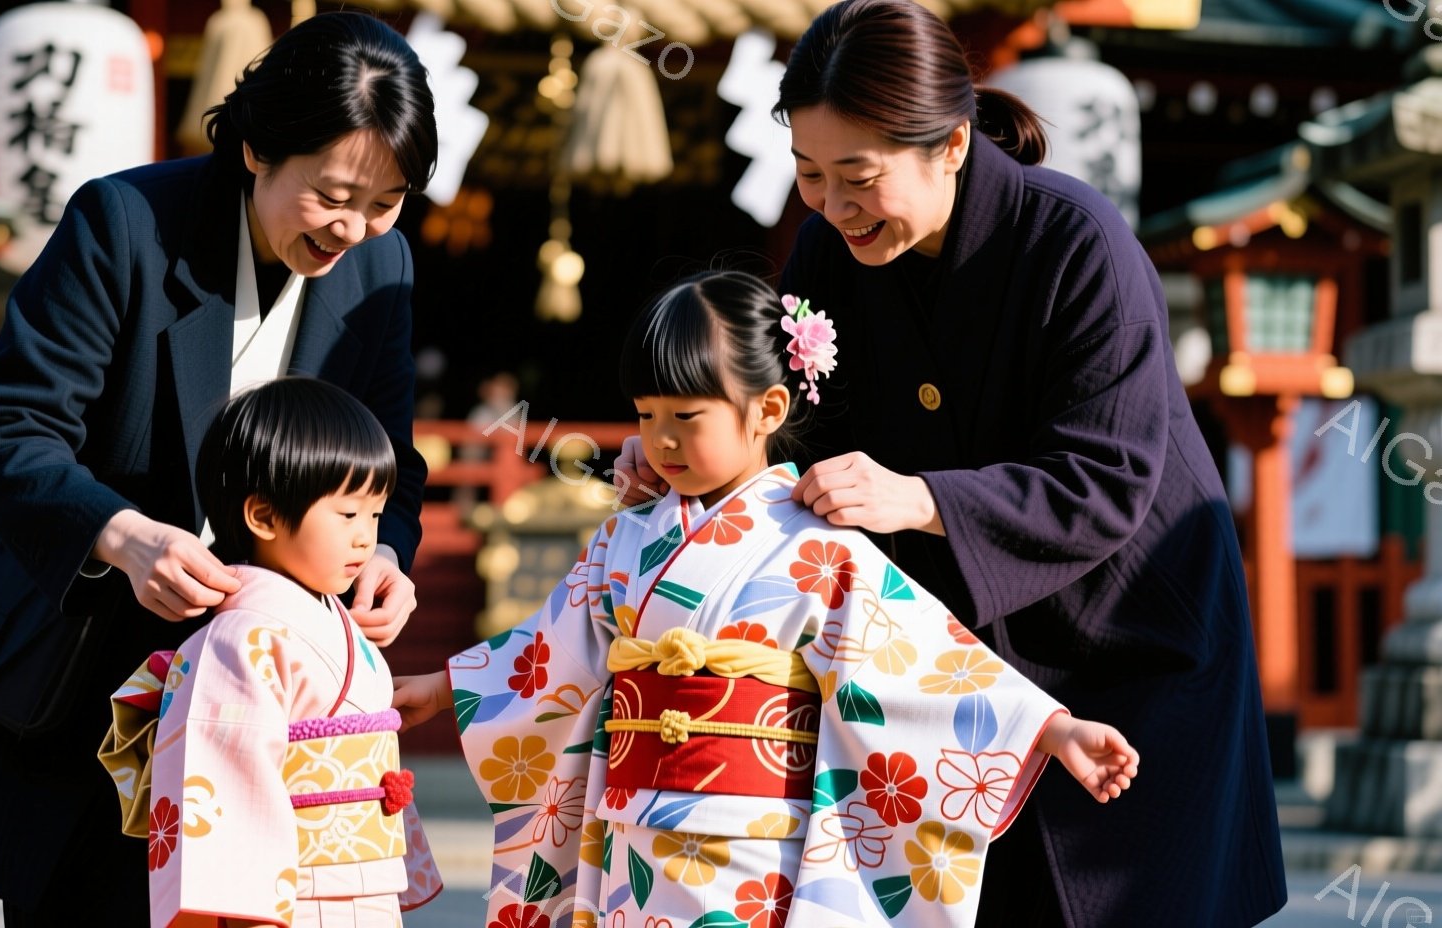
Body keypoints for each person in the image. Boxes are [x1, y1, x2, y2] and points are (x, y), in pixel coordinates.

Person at [611, 2, 1286, 924]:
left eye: (859, 176)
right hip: (956, 666)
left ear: (952, 145)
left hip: (1131, 642)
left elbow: (1105, 478)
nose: (835, 206)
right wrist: (686, 444)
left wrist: (920, 497)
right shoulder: (826, 248)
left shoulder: (1078, 244)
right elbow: (792, 418)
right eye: (809, 176)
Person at [394, 270, 1138, 928]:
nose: (661, 441)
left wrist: (1050, 730)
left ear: (769, 408)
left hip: (753, 848)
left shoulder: (819, 547)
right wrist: (442, 687)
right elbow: (551, 655)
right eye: (647, 416)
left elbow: (923, 665)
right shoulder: (623, 542)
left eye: (687, 419)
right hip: (627, 844)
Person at [0, 13, 436, 925]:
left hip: (268, 712)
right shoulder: (124, 223)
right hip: (89, 675)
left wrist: (385, 550)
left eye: (385, 201)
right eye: (332, 194)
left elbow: (388, 454)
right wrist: (122, 536)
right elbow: (8, 427)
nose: (354, 228)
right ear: (258, 149)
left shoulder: (380, 266)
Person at [98, 378, 442, 927]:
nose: (365, 538)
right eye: (347, 515)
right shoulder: (241, 639)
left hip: (364, 884)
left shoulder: (336, 623)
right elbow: (225, 790)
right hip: (291, 897)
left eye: (375, 516)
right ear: (262, 517)